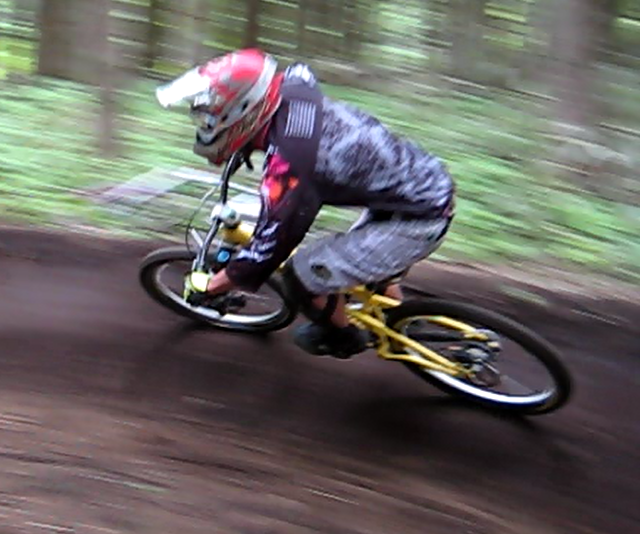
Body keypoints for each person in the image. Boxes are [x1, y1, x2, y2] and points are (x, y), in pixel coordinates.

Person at [156, 48, 455, 359]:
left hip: (420, 217)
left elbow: (269, 249)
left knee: (301, 276)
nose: (206, 121)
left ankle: (342, 336)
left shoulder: (290, 167)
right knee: (361, 263)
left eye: (211, 114)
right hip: (421, 184)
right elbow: (293, 99)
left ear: (243, 108)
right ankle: (402, 320)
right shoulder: (293, 86)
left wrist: (211, 287)